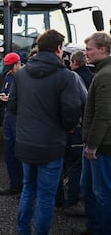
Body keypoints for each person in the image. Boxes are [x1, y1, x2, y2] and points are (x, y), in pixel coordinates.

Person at [7, 29, 82, 234]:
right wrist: (67, 127)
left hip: (25, 144)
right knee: (46, 196)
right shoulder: (65, 76)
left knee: (28, 189)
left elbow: (12, 107)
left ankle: (23, 231)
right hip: (51, 146)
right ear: (59, 48)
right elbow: (71, 111)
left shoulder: (21, 74)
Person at [73, 32, 111, 235]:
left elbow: (104, 114)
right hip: (94, 145)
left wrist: (93, 145)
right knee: (87, 187)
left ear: (102, 49)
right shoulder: (101, 72)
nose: (85, 53)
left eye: (89, 49)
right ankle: (94, 226)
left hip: (101, 147)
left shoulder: (105, 75)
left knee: (101, 192)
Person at [56, 49, 92, 216]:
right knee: (75, 165)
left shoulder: (26, 75)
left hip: (55, 130)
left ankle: (58, 200)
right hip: (75, 128)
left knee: (58, 164)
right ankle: (72, 201)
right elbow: (85, 101)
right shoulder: (78, 77)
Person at [0, 52, 23, 196]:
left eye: (11, 67)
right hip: (8, 115)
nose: (8, 70)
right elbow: (4, 90)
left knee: (20, 152)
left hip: (19, 117)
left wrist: (12, 99)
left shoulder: (24, 78)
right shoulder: (8, 76)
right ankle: (14, 184)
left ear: (18, 64)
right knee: (9, 151)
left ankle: (24, 186)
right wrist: (3, 97)